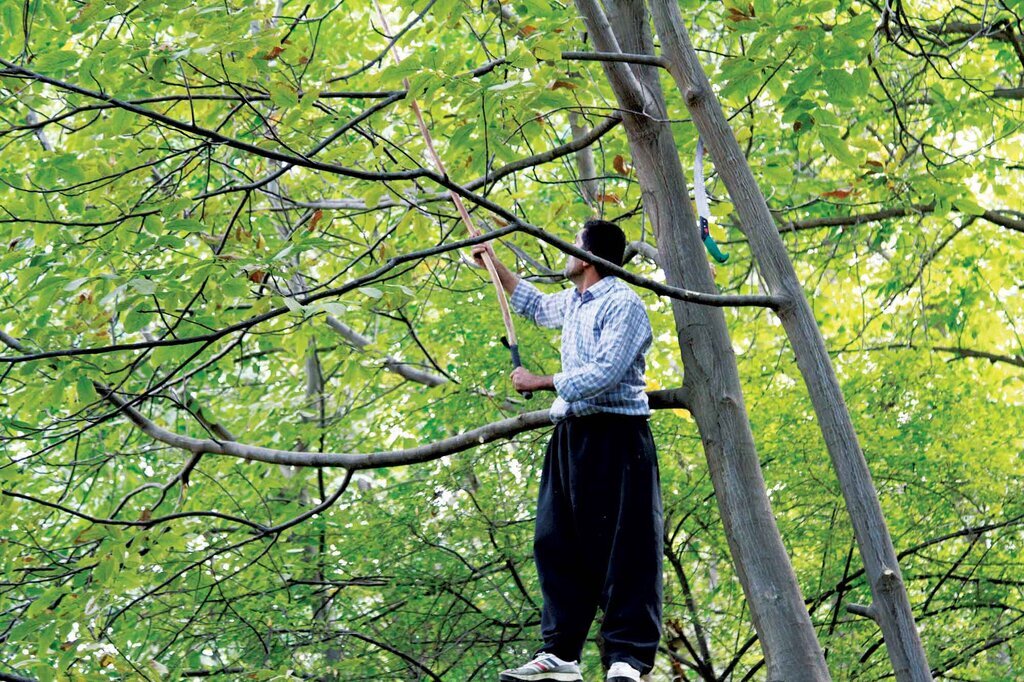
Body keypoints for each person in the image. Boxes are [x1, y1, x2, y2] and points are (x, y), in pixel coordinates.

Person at [470, 220, 663, 682]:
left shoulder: (625, 303)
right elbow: (534, 304)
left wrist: (541, 380)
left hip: (619, 436)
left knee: (627, 547)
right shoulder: (576, 302)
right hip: (571, 436)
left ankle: (627, 659)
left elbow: (605, 372)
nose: (566, 252)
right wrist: (492, 264)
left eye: (572, 245)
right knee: (555, 541)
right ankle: (560, 656)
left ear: (589, 257)